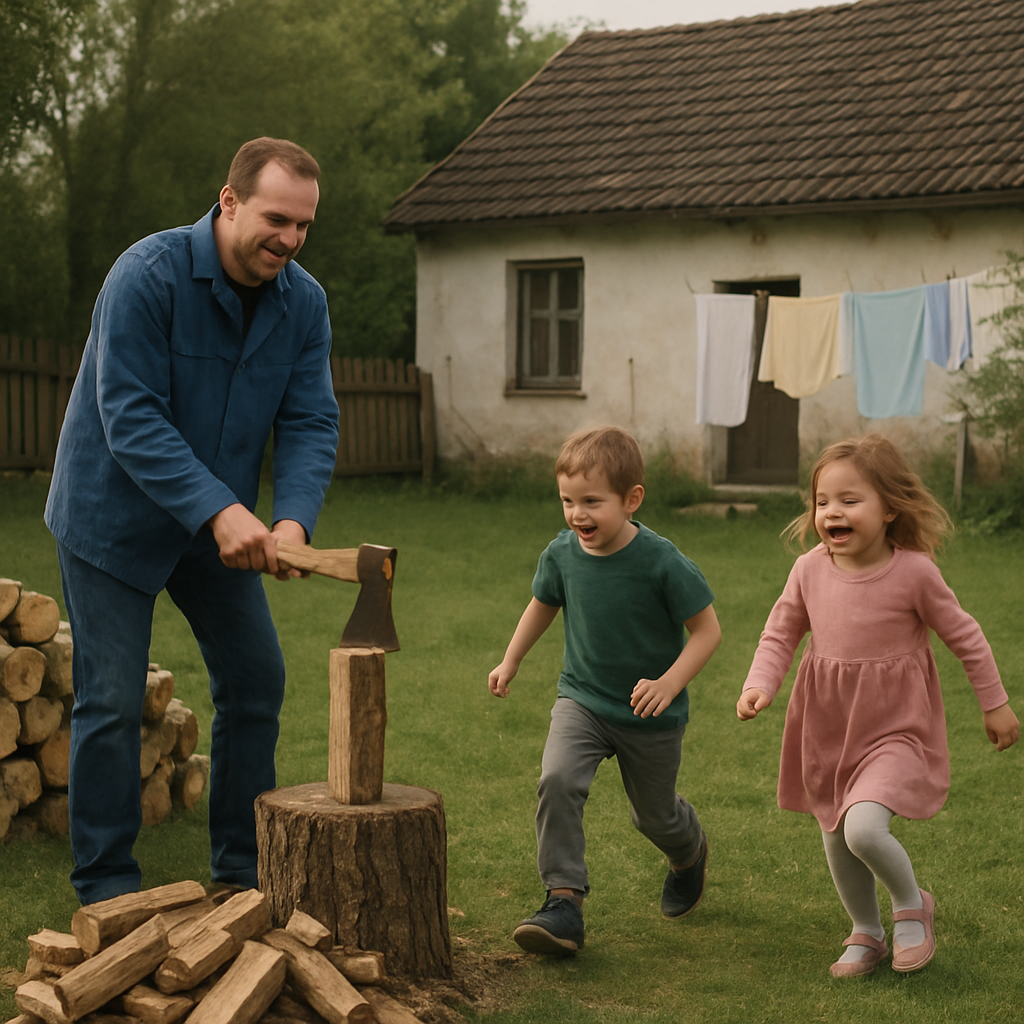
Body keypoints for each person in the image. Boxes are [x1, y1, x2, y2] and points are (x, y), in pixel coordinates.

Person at [44, 137, 340, 905]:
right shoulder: (146, 275)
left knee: (255, 679)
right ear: (230, 200)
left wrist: (295, 522)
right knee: (110, 698)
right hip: (112, 516)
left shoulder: (303, 302)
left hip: (220, 526)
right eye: (278, 218)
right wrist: (221, 509)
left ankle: (243, 875)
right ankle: (107, 888)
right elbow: (130, 416)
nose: (291, 239)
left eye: (305, 225)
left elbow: (310, 419)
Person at [737, 434, 1019, 978]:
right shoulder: (809, 570)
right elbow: (779, 635)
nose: (832, 512)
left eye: (849, 500)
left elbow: (966, 636)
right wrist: (759, 684)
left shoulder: (913, 571)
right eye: (823, 501)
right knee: (835, 829)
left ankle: (912, 907)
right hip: (827, 726)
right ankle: (866, 931)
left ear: (890, 508)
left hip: (897, 727)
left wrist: (995, 704)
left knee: (864, 828)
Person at [488, 425, 722, 955]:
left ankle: (689, 854)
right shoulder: (563, 554)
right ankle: (563, 902)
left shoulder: (662, 560)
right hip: (583, 700)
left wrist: (669, 682)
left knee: (654, 817)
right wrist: (511, 659)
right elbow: (542, 604)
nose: (577, 515)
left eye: (592, 502)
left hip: (650, 714)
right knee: (558, 779)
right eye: (568, 501)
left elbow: (708, 631)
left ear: (631, 499)